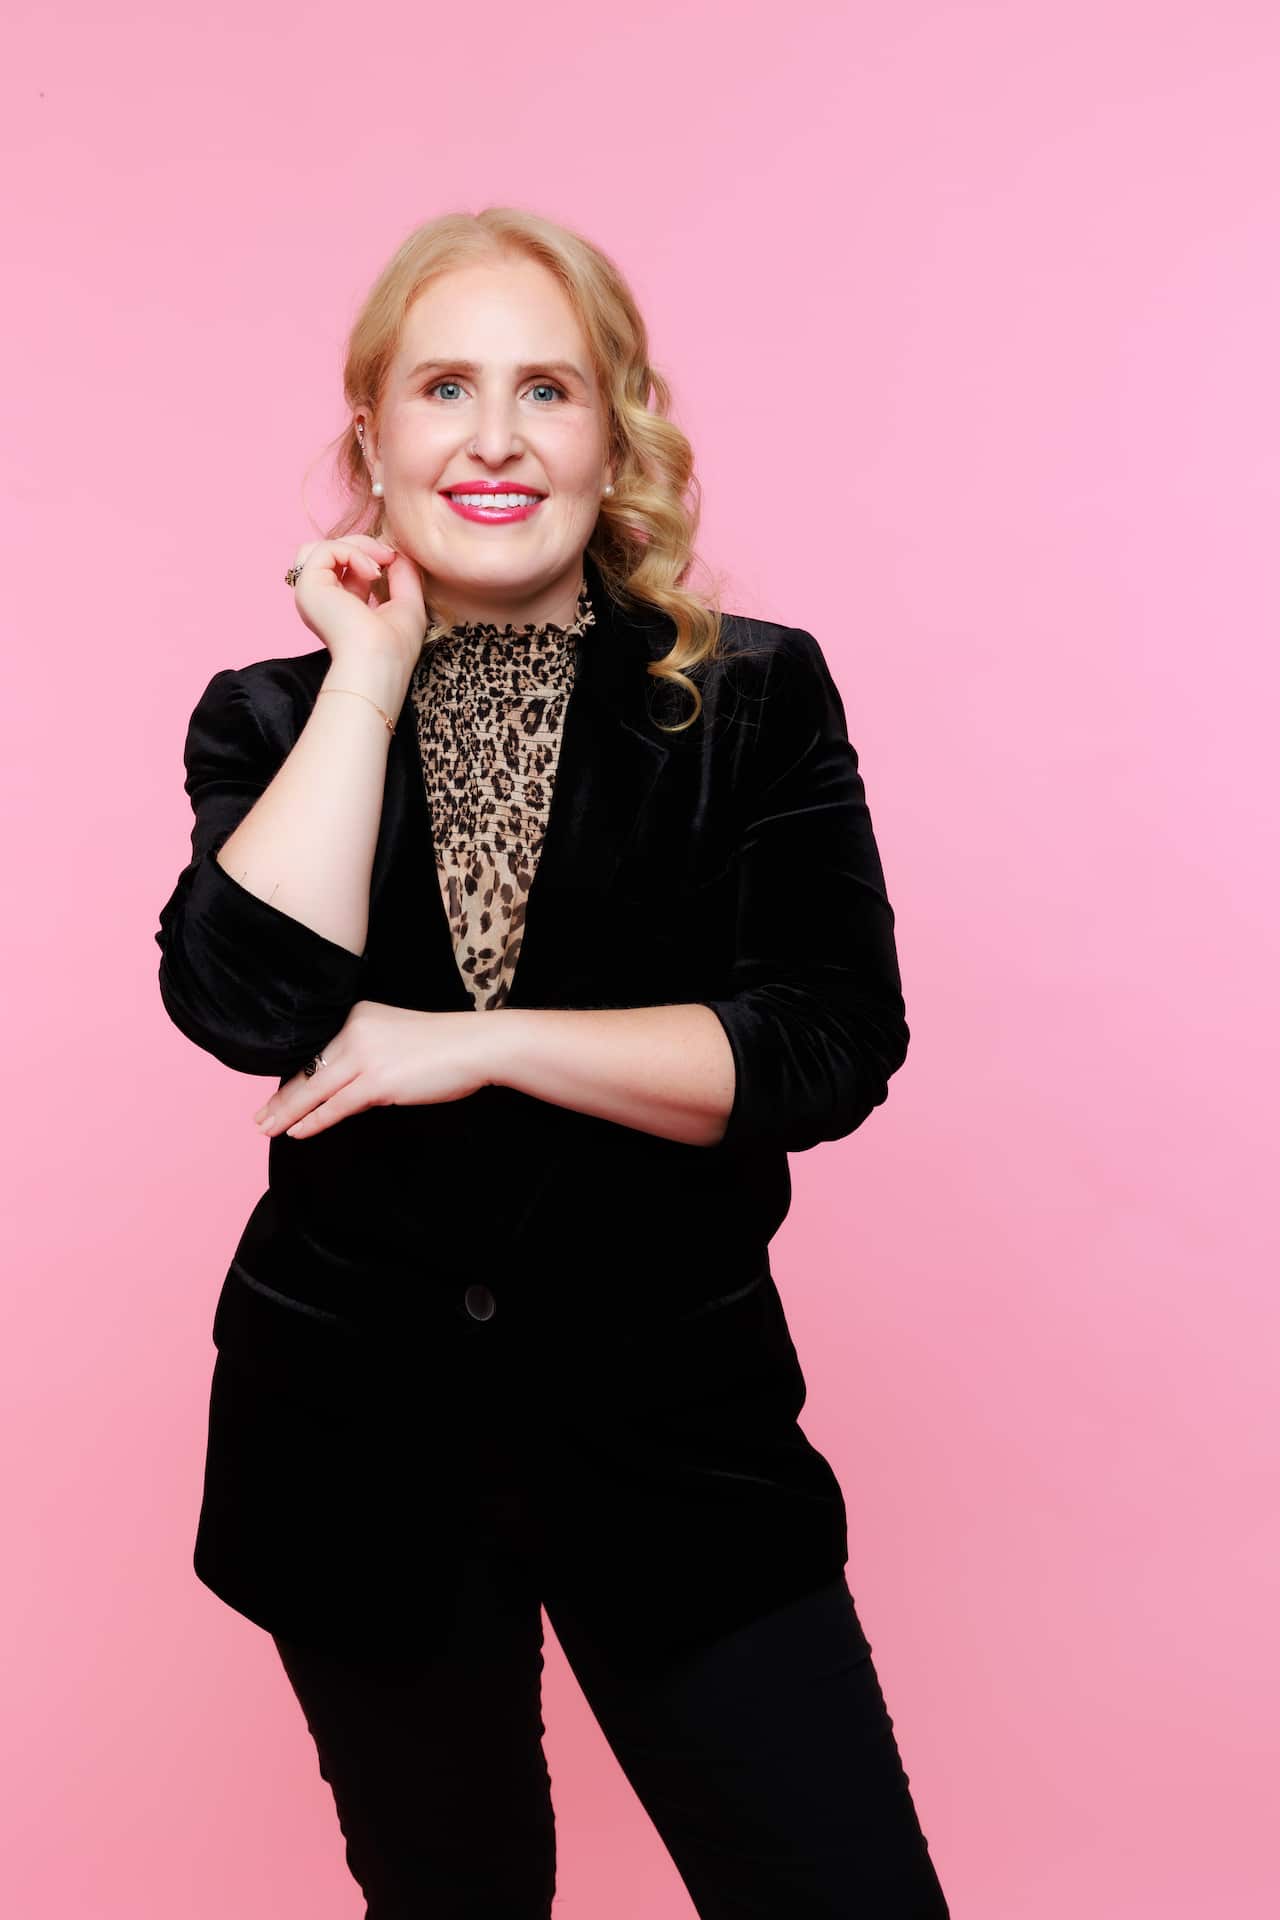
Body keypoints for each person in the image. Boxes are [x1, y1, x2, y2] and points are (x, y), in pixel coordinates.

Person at [155, 206, 950, 1918]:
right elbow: (242, 1002)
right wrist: (371, 678)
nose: (497, 438)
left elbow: (826, 1039)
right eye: (445, 387)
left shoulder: (752, 700)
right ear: (374, 433)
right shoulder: (271, 718)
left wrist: (481, 1043)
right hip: (351, 1449)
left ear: (619, 426)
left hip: (677, 1444)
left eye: (549, 389)